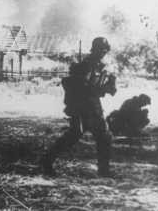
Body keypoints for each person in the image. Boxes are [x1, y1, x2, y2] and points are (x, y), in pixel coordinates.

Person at [41, 37, 117, 177]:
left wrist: (108, 85)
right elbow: (80, 87)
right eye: (101, 49)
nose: (103, 52)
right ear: (95, 49)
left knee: (103, 136)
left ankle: (104, 170)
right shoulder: (85, 65)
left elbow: (109, 89)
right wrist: (98, 88)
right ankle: (47, 161)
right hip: (81, 106)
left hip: (93, 105)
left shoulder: (102, 66)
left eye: (105, 50)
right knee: (75, 135)